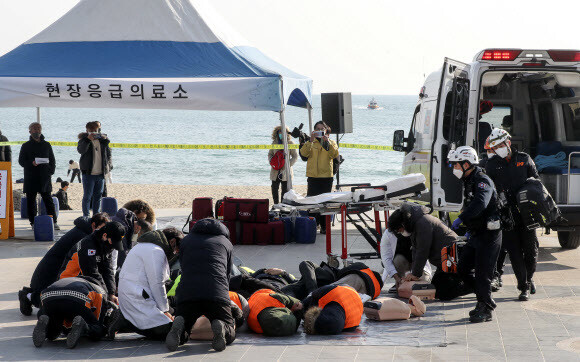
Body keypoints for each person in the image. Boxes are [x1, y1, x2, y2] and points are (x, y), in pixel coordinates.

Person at [448, 146, 502, 323]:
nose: (453, 168)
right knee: (462, 268)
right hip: (476, 234)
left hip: (489, 235)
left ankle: (485, 308)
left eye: (455, 165)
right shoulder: (468, 180)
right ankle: (482, 296)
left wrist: (461, 218)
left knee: (483, 273)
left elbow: (480, 203)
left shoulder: (482, 180)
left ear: (466, 164)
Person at [485, 128, 539, 301]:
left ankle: (528, 279)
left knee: (531, 251)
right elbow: (490, 191)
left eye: (501, 144)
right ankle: (523, 286)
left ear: (508, 142)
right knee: (515, 253)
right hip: (507, 216)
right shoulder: (492, 165)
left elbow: (536, 183)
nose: (499, 148)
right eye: (496, 147)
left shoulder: (524, 159)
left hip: (527, 214)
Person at [18, 213, 110, 316]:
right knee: (52, 300)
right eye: (101, 229)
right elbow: (88, 266)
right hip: (51, 272)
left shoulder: (83, 232)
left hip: (58, 269)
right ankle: (28, 296)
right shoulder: (84, 238)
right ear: (93, 225)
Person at [165, 219, 235, 352]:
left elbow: (184, 268)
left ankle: (181, 326)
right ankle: (222, 326)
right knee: (230, 332)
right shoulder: (226, 242)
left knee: (185, 329)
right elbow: (227, 274)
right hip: (215, 292)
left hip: (188, 293)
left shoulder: (185, 241)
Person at [109, 228, 183, 340]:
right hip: (138, 298)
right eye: (177, 248)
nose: (176, 252)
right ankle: (126, 322)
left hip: (134, 296)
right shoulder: (156, 251)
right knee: (177, 333)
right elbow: (157, 283)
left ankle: (125, 321)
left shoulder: (144, 246)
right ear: (172, 242)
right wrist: (165, 311)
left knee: (170, 314)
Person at [32, 276, 116, 349]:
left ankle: (47, 329)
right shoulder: (100, 291)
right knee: (98, 329)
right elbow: (98, 320)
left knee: (54, 330)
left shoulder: (66, 280)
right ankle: (84, 327)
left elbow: (41, 312)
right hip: (76, 297)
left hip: (47, 296)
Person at [58, 221, 126, 305]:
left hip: (84, 282)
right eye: (113, 241)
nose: (113, 246)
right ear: (104, 235)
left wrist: (111, 294)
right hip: (68, 283)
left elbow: (108, 270)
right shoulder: (87, 245)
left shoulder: (107, 245)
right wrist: (105, 295)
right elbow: (91, 272)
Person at [300, 121, 339, 233]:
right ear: (314, 130)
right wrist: (310, 141)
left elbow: (335, 154)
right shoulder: (311, 142)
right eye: (317, 129)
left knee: (324, 203)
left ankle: (324, 226)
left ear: (326, 130)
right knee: (312, 202)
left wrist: (327, 142)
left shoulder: (331, 142)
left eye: (322, 129)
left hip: (326, 176)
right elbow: (303, 154)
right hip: (313, 176)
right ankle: (313, 224)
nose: (319, 131)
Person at [18, 122, 59, 229]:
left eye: (39, 128)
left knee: (48, 200)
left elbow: (52, 160)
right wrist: (31, 163)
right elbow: (21, 161)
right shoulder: (25, 145)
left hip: (44, 177)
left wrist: (51, 171)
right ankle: (33, 223)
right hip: (31, 177)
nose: (37, 130)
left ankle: (54, 222)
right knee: (31, 201)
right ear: (30, 131)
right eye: (35, 129)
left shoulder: (47, 144)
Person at [78, 121, 112, 217]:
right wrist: (88, 140)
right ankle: (86, 216)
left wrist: (109, 166)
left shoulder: (103, 141)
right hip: (88, 174)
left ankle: (96, 216)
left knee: (98, 197)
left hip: (100, 174)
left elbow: (108, 154)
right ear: (87, 130)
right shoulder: (83, 140)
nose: (93, 132)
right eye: (91, 130)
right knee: (87, 197)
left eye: (95, 130)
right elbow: (81, 150)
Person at [268, 126, 298, 204]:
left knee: (285, 190)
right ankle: (275, 204)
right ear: (277, 133)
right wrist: (272, 162)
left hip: (286, 171)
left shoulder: (290, 143)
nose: (281, 133)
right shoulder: (274, 142)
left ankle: (283, 205)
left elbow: (295, 156)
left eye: (283, 132)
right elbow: (270, 154)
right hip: (275, 170)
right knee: (274, 188)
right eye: (280, 132)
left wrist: (288, 165)